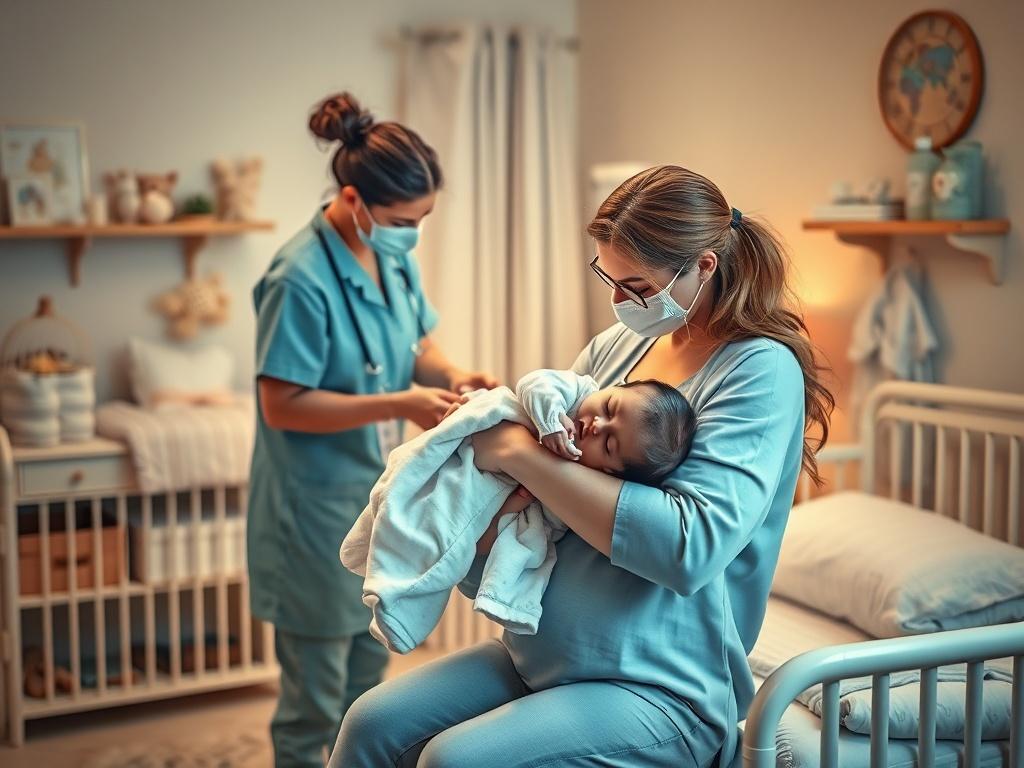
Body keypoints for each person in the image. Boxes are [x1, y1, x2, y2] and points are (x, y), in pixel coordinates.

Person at [329, 164, 834, 767]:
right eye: (611, 279)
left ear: (703, 265)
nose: (620, 302)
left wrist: (512, 450)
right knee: (370, 724)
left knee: (455, 760)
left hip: (654, 685)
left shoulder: (757, 368)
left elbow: (687, 546)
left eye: (638, 286)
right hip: (542, 655)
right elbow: (548, 476)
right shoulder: (617, 346)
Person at [247, 91, 497, 767]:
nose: (413, 232)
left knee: (365, 686)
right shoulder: (297, 278)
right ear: (354, 199)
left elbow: (420, 346)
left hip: (374, 495)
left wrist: (455, 379)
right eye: (402, 219)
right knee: (313, 700)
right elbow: (283, 404)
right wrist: (401, 404)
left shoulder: (390, 257)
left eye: (422, 219)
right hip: (311, 508)